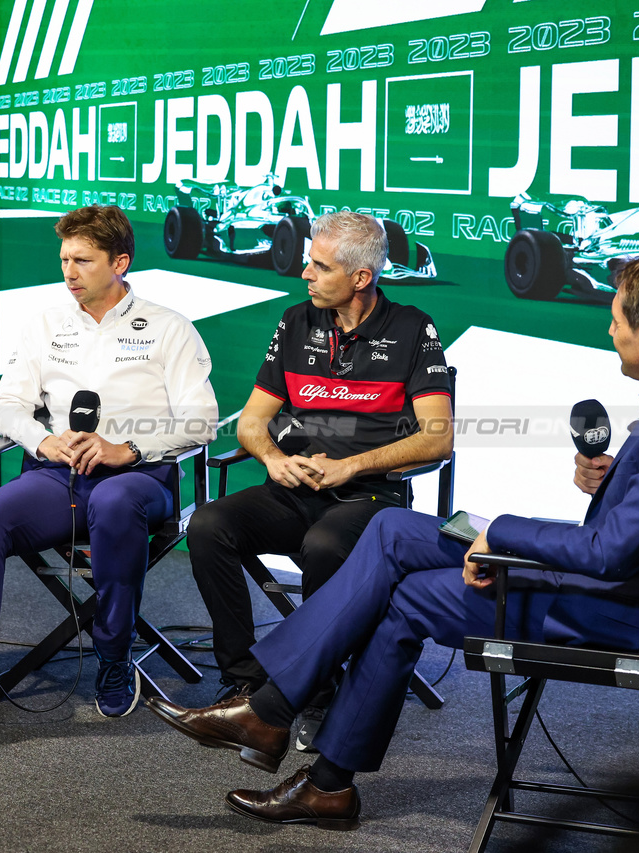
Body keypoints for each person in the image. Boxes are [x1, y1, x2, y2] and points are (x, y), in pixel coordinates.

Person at [150, 253, 639, 830]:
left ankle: (292, 740)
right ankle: (285, 730)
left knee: (407, 597)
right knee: (391, 529)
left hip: (613, 606)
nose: (609, 328)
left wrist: (499, 530)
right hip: (605, 582)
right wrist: (612, 472)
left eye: (617, 318)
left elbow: (611, 552)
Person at [0, 205, 218, 750]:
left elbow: (201, 421)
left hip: (140, 478)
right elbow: (7, 405)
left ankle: (113, 655)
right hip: (56, 474)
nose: (69, 271)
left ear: (120, 262)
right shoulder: (44, 323)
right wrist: (43, 441)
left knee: (113, 503)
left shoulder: (169, 327)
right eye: (64, 258)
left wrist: (126, 448)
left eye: (83, 260)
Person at [186, 210, 453, 747]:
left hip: (370, 496)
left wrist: (351, 465)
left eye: (319, 266)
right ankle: (244, 680)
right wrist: (272, 460)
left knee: (326, 544)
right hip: (293, 487)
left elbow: (438, 438)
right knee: (209, 523)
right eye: (309, 262)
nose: (304, 274)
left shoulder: (410, 326)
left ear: (361, 277)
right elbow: (253, 423)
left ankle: (319, 691)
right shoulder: (295, 321)